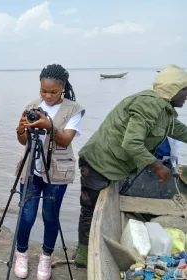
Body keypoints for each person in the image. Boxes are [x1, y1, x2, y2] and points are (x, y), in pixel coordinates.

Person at [74, 64, 187, 268]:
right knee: (89, 210)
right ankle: (83, 255)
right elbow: (131, 143)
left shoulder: (165, 111)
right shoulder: (149, 104)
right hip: (98, 161)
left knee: (94, 209)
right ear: (172, 89)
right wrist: (157, 166)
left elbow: (179, 131)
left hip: (115, 165)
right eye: (185, 89)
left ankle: (89, 248)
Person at [13, 64, 85, 280]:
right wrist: (20, 129)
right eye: (44, 91)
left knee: (50, 215)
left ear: (63, 88)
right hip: (31, 169)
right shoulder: (33, 106)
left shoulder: (74, 109)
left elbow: (65, 140)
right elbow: (23, 141)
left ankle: (46, 257)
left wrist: (49, 126)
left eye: (53, 92)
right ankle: (21, 254)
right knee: (26, 215)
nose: (48, 96)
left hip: (57, 173)